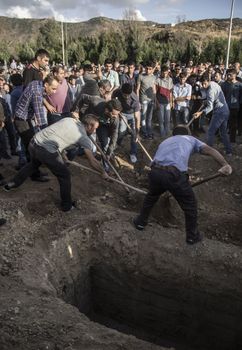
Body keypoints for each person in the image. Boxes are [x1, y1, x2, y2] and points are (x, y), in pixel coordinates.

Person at [133, 124, 232, 245]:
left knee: (151, 197)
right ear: (188, 133)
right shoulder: (190, 139)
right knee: (190, 205)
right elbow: (210, 150)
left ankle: (140, 222)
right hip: (174, 174)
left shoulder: (166, 141)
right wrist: (225, 164)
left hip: (155, 171)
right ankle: (192, 236)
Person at [3, 114, 108, 212]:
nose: (95, 131)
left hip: (34, 142)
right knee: (65, 175)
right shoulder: (83, 137)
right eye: (95, 128)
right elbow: (92, 161)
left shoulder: (70, 120)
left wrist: (63, 155)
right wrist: (103, 172)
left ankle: (11, 184)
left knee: (33, 164)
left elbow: (57, 135)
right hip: (45, 150)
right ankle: (67, 206)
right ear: (89, 126)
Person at [193, 74, 232, 156]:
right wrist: (206, 101)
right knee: (223, 132)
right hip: (225, 110)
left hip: (219, 112)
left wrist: (200, 113)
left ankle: (208, 151)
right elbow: (213, 99)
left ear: (209, 81)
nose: (204, 86)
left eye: (205, 83)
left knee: (211, 131)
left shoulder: (211, 90)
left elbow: (210, 107)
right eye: (202, 84)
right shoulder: (214, 83)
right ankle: (229, 151)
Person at [113, 83, 141, 163]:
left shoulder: (135, 99)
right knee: (121, 130)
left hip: (132, 115)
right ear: (121, 92)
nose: (127, 97)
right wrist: (116, 110)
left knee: (134, 135)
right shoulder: (117, 92)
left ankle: (133, 153)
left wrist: (137, 132)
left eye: (128, 95)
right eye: (125, 95)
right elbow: (113, 99)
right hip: (122, 113)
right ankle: (117, 143)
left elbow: (137, 117)